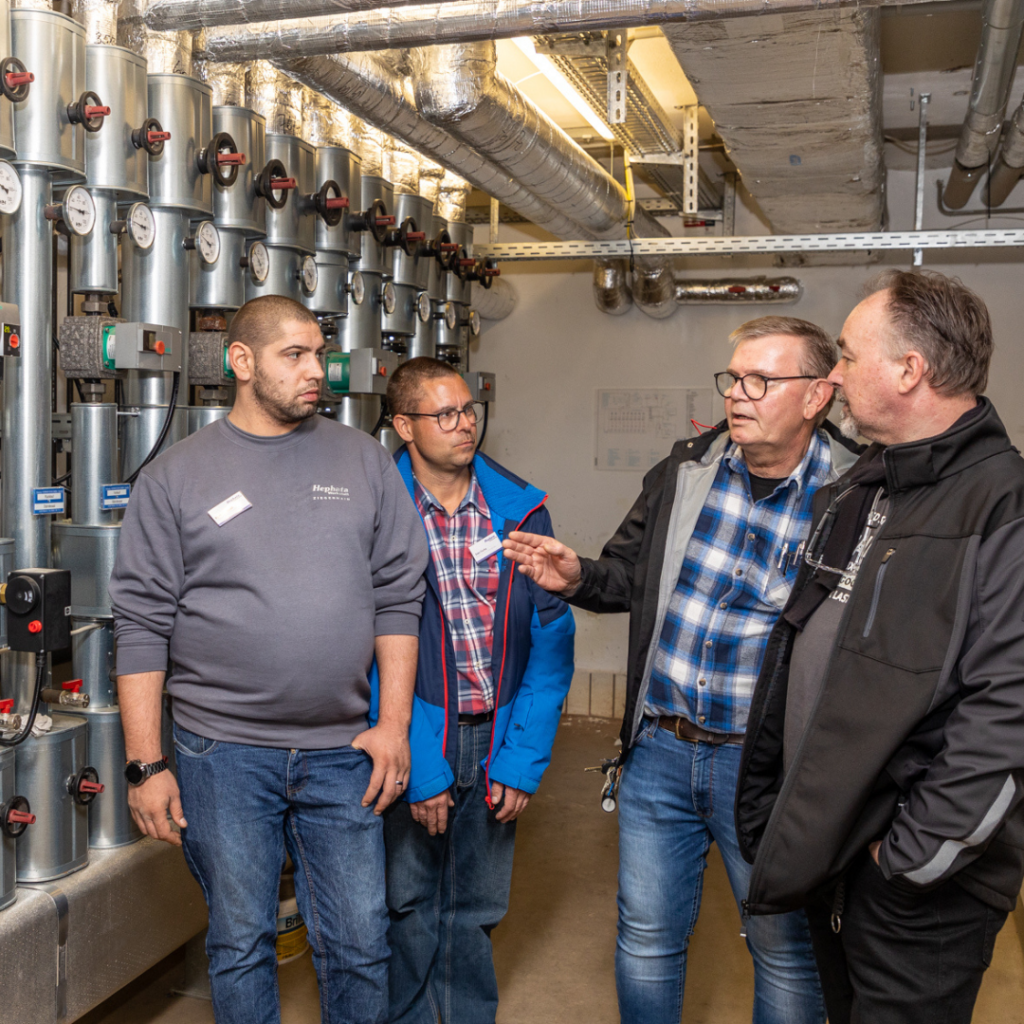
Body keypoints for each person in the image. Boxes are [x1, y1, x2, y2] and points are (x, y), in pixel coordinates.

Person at [503, 317, 859, 1024]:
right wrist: (577, 576)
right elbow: (625, 578)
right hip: (660, 752)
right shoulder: (686, 468)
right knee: (646, 939)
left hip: (770, 768)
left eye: (764, 380)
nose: (739, 394)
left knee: (786, 949)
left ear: (818, 395)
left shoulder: (859, 494)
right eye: (734, 378)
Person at [109, 295, 429, 1024]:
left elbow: (399, 600)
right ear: (242, 362)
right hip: (221, 753)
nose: (317, 370)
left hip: (344, 748)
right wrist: (146, 764)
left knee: (359, 942)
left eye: (319, 352)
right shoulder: (175, 477)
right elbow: (141, 626)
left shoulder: (363, 460)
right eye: (296, 355)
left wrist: (394, 726)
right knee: (240, 942)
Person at [734, 271, 1024, 1024]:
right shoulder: (862, 488)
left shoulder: (1004, 504)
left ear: (910, 370)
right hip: (841, 851)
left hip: (918, 879)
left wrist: (911, 857)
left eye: (849, 357)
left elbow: (1008, 715)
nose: (835, 375)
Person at [382, 357, 575, 1024]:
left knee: (476, 910)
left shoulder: (522, 509)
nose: (465, 426)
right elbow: (363, 653)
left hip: (496, 738)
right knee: (406, 906)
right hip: (417, 738)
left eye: (469, 411)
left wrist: (523, 758)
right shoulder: (381, 509)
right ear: (404, 426)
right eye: (445, 415)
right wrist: (421, 764)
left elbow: (552, 645)